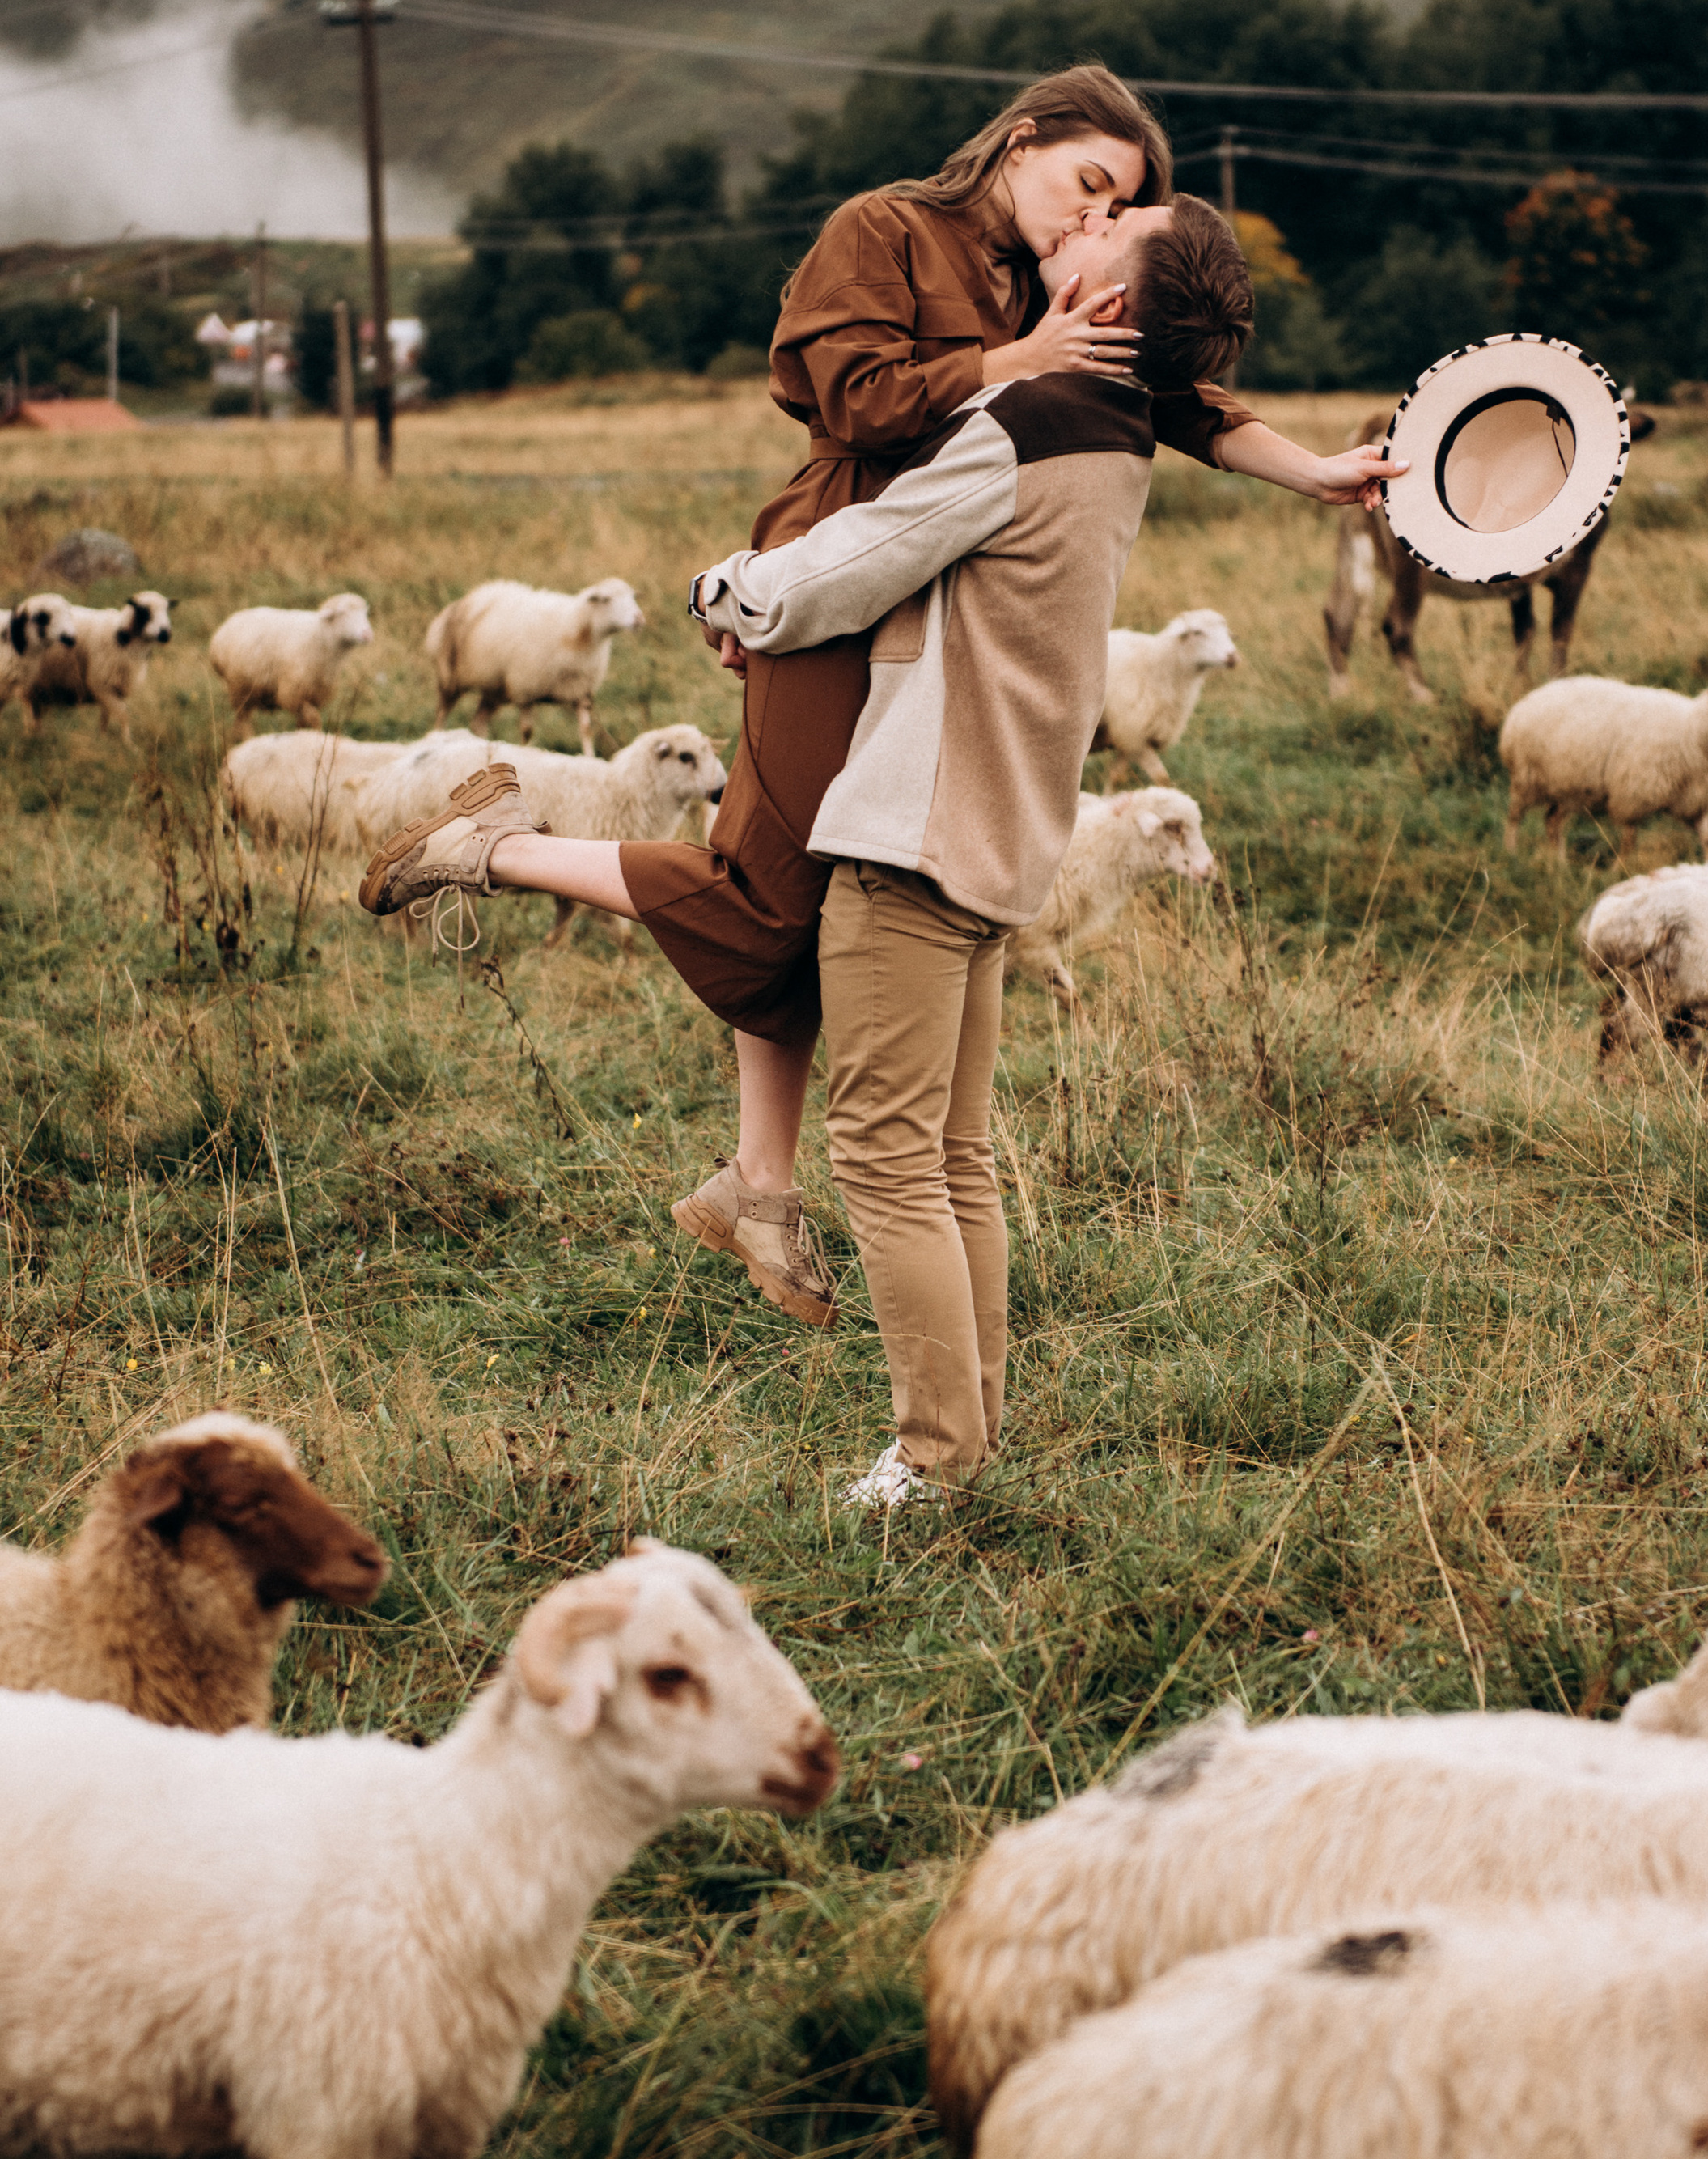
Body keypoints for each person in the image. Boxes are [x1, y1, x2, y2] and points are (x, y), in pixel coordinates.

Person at [365, 200, 1396, 1502]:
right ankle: (976, 1433)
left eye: (1116, 222)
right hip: (1009, 830)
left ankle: (934, 1456)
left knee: (890, 1160)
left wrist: (722, 589)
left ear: (1113, 305)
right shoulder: (1125, 431)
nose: (1088, 221)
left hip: (915, 833)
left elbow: (849, 565)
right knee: (955, 1153)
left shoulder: (1027, 424)